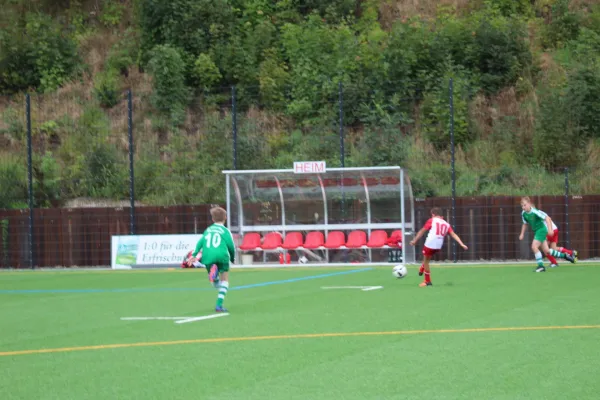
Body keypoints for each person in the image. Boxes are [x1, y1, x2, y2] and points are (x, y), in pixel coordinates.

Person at [409, 207, 468, 287]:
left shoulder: (431, 220)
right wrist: (461, 244)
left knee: (426, 260)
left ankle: (427, 281)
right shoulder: (446, 224)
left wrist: (414, 241)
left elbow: (422, 231)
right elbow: (453, 234)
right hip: (439, 245)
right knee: (427, 258)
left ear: (433, 214)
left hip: (430, 243)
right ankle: (422, 268)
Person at [191, 206, 235, 312]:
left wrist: (195, 254)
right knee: (225, 281)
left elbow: (200, 242)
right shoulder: (225, 231)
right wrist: (232, 258)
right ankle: (219, 305)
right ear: (225, 218)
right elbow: (231, 246)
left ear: (212, 219)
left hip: (208, 256)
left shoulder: (208, 230)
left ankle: (214, 277)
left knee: (216, 284)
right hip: (222, 256)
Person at [518, 196, 576, 272]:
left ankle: (541, 266)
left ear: (529, 204)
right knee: (547, 251)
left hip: (541, 230)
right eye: (522, 206)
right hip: (537, 231)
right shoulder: (523, 214)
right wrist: (522, 234)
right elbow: (525, 223)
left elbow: (547, 218)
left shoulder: (535, 211)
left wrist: (550, 230)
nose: (523, 207)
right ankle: (565, 256)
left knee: (534, 247)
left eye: (525, 205)